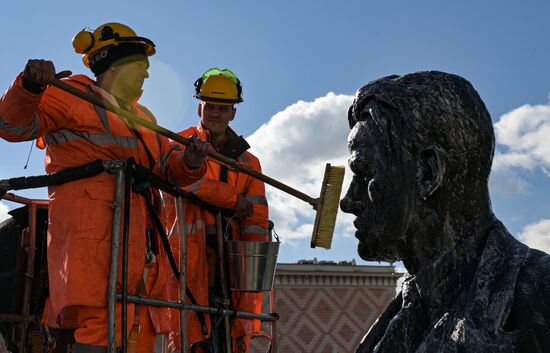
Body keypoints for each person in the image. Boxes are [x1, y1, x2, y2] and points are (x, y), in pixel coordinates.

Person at [0, 22, 209, 353]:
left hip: (139, 247)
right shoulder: (69, 95)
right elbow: (10, 125)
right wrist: (28, 87)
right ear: (117, 66)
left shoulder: (144, 117)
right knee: (102, 326)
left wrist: (193, 161)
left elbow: (169, 169)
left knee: (136, 328)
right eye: (141, 67)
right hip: (92, 242)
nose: (147, 76)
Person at [340, 71, 550, 353]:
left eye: (365, 174)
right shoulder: (391, 324)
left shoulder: (540, 292)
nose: (348, 201)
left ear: (427, 172)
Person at [165, 68, 269, 353]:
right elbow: (185, 182)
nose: (214, 112)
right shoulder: (181, 143)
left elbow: (257, 219)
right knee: (190, 333)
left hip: (232, 262)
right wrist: (234, 200)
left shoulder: (249, 162)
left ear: (232, 113)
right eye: (209, 106)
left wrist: (254, 273)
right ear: (200, 107)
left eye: (222, 108)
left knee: (233, 335)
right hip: (189, 254)